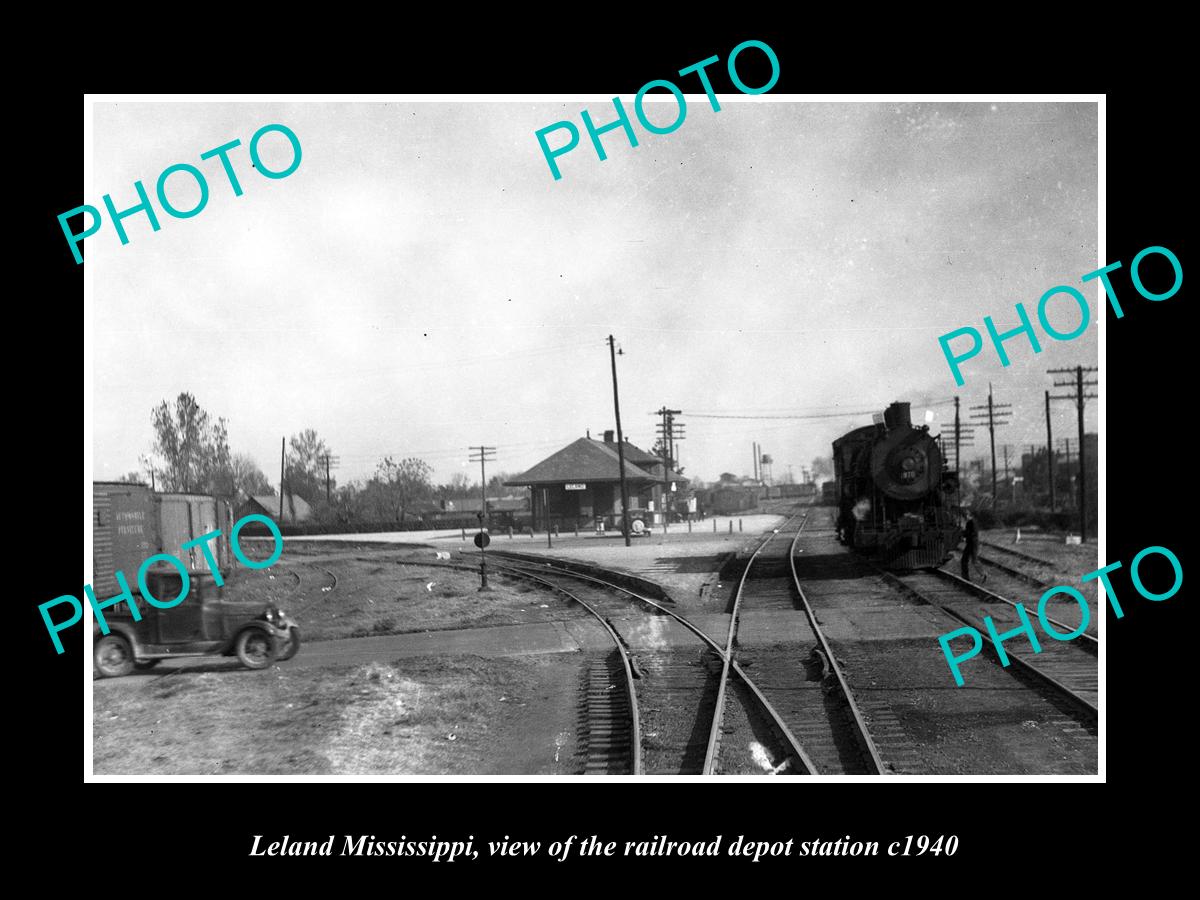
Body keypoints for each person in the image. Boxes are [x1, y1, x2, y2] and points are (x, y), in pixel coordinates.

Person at [960, 513, 987, 582]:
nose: (965, 517)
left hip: (972, 543)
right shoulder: (971, 522)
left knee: (971, 560)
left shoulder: (972, 522)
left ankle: (982, 574)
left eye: (966, 516)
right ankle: (966, 576)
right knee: (967, 560)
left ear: (970, 516)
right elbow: (970, 532)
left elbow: (972, 533)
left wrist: (964, 535)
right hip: (972, 543)